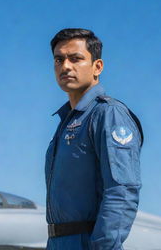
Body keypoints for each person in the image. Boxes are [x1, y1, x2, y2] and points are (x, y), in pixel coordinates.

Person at [45, 28, 143, 250]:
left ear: (97, 67)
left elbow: (122, 191)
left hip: (88, 242)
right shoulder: (65, 123)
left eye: (75, 58)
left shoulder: (108, 115)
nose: (65, 66)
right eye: (59, 59)